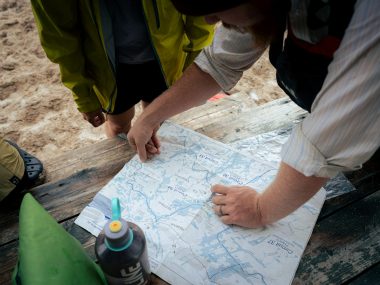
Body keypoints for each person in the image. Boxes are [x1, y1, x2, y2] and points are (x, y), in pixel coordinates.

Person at [127, 0, 380, 228]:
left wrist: (260, 209)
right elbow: (219, 63)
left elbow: (334, 134)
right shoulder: (258, 5)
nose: (209, 21)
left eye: (215, 9)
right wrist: (150, 117)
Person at [30, 0, 214, 137]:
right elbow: (61, 41)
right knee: (118, 127)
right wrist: (84, 97)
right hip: (109, 70)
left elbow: (201, 14)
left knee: (157, 121)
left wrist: (193, 69)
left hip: (168, 60)